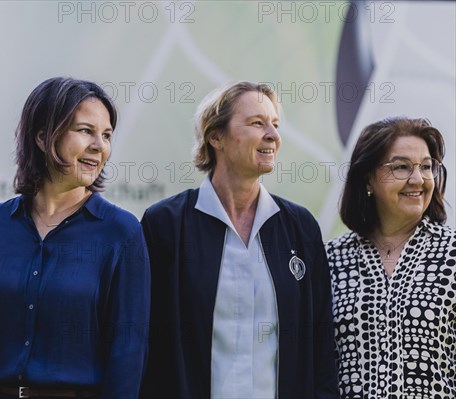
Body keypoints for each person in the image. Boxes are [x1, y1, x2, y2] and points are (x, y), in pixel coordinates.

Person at [140, 81, 339, 398]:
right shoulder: (164, 224)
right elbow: (144, 341)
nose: (273, 135)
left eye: (275, 124)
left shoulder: (301, 227)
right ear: (215, 137)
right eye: (257, 123)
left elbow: (321, 346)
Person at [0, 77, 150, 399]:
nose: (99, 146)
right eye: (85, 131)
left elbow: (128, 351)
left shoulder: (121, 232)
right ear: (42, 137)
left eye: (106, 135)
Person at [326, 117, 455, 398]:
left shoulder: (452, 255)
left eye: (426, 167)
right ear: (369, 177)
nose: (418, 179)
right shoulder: (330, 261)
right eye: (401, 167)